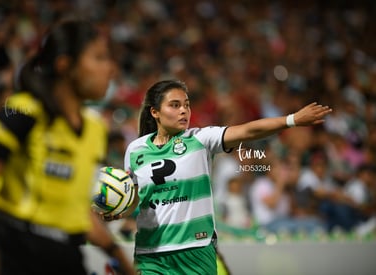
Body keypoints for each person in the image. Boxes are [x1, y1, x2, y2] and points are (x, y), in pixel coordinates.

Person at [0, 19, 135, 275]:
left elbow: (78, 210)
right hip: (13, 250)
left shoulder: (95, 129)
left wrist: (119, 257)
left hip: (66, 256)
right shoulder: (23, 110)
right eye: (99, 58)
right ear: (65, 65)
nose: (110, 68)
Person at [116, 79, 331, 274]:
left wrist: (292, 120)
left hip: (195, 253)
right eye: (175, 105)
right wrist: (118, 209)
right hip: (151, 254)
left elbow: (248, 131)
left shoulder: (200, 139)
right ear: (155, 112)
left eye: (187, 105)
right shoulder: (135, 149)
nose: (184, 111)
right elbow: (135, 198)